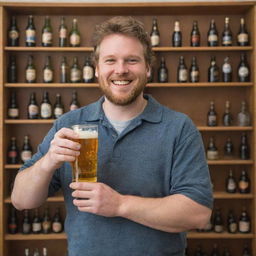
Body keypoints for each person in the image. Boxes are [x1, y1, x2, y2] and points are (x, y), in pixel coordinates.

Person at [11, 16, 213, 256]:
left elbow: (198, 214)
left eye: (132, 60)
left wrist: (119, 205)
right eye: (110, 60)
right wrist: (47, 163)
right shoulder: (68, 124)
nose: (120, 69)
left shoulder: (179, 127)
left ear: (148, 68)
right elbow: (21, 200)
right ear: (96, 69)